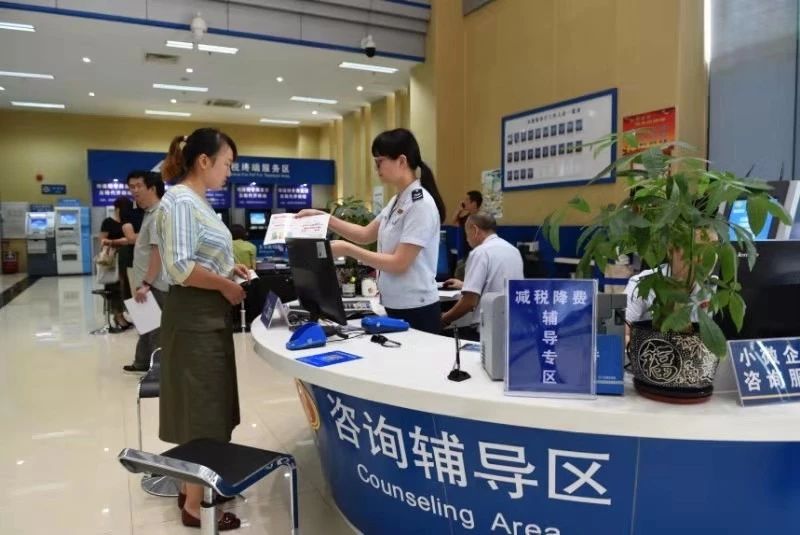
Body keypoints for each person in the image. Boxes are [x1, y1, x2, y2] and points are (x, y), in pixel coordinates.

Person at [157, 128, 249, 531]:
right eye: (226, 164)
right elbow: (180, 267)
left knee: (208, 404)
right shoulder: (180, 201)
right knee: (202, 412)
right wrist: (225, 286)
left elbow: (202, 258)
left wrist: (231, 269)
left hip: (207, 316)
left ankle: (191, 486)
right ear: (204, 161)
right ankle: (197, 507)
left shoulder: (200, 203)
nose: (229, 172)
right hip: (194, 317)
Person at [297, 128, 445, 333]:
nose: (377, 169)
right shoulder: (397, 200)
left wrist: (347, 249)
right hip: (395, 303)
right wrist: (324, 218)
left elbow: (399, 263)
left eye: (380, 162)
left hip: (417, 308)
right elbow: (365, 234)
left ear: (401, 161)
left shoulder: (420, 204)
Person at [441, 212, 523, 340]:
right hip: (513, 326)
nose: (467, 240)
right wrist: (464, 285)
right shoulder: (513, 250)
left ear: (475, 230)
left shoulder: (480, 252)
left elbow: (469, 302)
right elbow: (499, 282)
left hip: (488, 329)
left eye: (466, 234)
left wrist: (445, 318)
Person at [122, 172, 166, 373]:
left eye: (139, 186)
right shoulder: (149, 213)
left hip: (154, 284)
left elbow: (158, 252)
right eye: (131, 187)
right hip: (146, 283)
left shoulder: (158, 214)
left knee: (156, 330)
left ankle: (158, 371)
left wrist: (146, 284)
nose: (134, 191)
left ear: (152, 188)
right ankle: (141, 362)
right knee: (146, 325)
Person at [100, 196, 134, 330]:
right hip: (113, 261)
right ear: (117, 209)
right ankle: (117, 315)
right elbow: (102, 241)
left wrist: (115, 241)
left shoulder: (128, 223)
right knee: (115, 287)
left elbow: (131, 240)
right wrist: (121, 241)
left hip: (128, 259)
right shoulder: (108, 222)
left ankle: (123, 314)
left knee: (126, 288)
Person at [451, 190, 482, 279]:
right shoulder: (466, 217)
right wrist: (459, 210)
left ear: (474, 203)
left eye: (467, 200)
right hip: (464, 255)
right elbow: (454, 222)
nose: (464, 202)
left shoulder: (481, 218)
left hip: (475, 255)